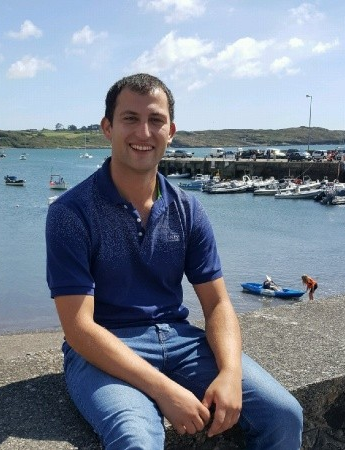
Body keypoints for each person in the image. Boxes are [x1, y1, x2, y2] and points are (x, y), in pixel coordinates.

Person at [46, 73, 303, 449]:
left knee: (284, 414)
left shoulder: (187, 208)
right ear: (107, 128)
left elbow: (217, 303)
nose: (144, 132)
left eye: (156, 120)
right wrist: (164, 390)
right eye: (130, 118)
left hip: (180, 341)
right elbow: (79, 328)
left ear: (171, 132)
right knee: (136, 439)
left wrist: (230, 373)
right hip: (104, 349)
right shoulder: (71, 213)